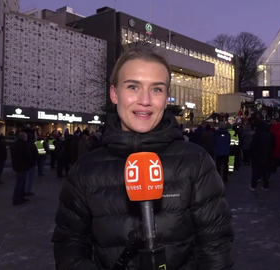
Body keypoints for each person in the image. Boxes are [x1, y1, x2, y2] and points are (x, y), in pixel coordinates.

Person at [52, 48, 234, 269]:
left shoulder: (196, 163)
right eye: (133, 87)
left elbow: (215, 252)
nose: (145, 100)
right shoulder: (84, 171)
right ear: (114, 93)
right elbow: (69, 247)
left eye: (156, 89)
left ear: (166, 99)